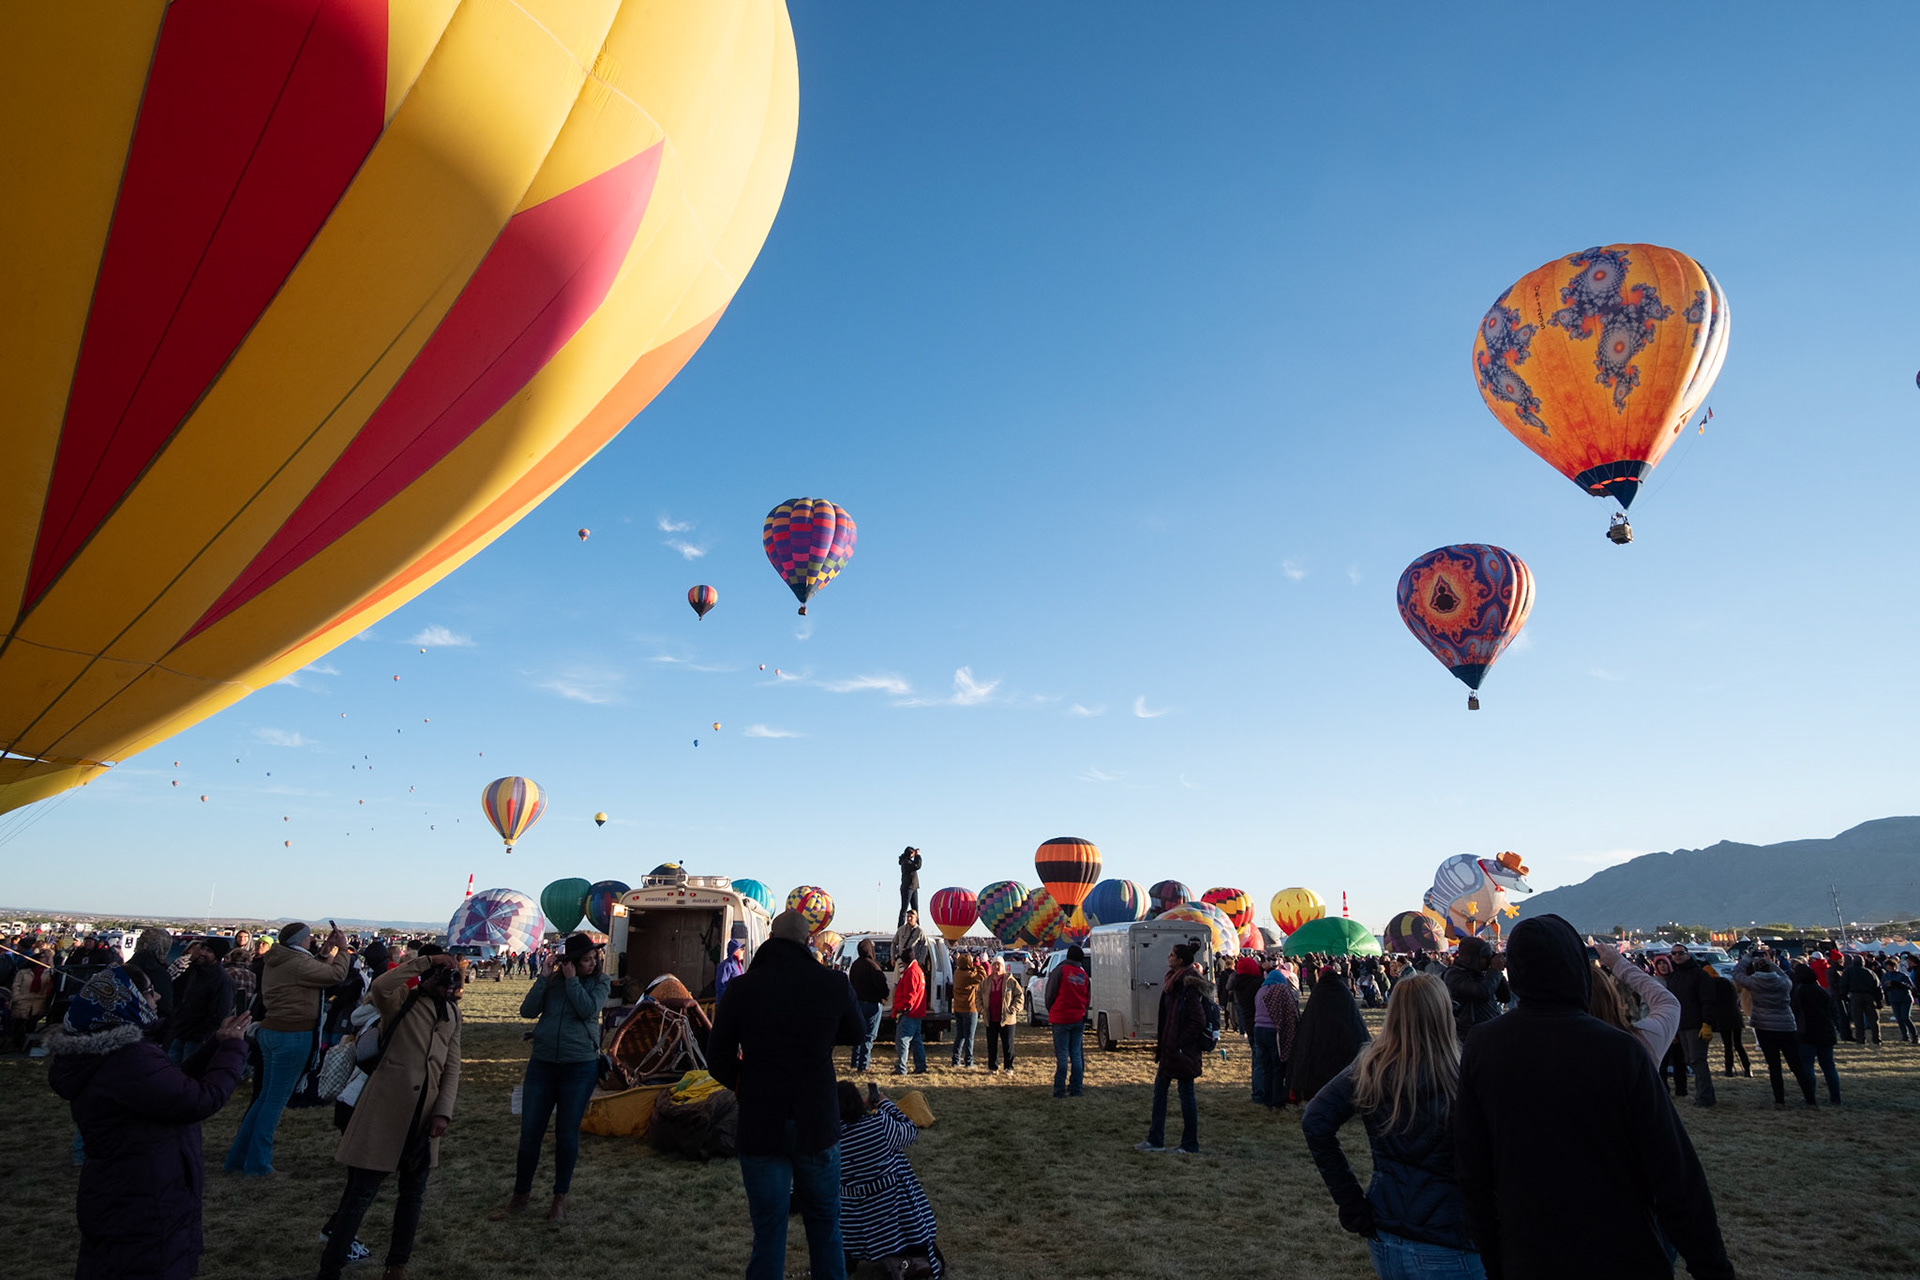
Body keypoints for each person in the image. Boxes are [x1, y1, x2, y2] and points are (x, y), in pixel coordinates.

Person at [1452, 915, 1734, 1280]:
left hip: (1529, 1250)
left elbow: (1473, 1167)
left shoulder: (1484, 1045)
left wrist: (1495, 1258)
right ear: (1574, 967)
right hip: (1620, 1249)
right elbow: (1674, 1172)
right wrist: (1711, 1266)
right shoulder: (1619, 1049)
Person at [48, 964, 250, 1280]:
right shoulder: (128, 1059)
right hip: (145, 1199)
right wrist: (234, 1048)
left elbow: (168, 1085)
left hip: (126, 1189)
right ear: (125, 1000)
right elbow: (199, 1100)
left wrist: (216, 1044)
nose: (156, 998)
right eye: (148, 991)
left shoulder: (114, 1055)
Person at [707, 909, 864, 1280]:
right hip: (817, 1120)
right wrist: (822, 1038)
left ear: (770, 940)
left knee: (769, 1231)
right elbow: (857, 1032)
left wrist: (743, 1083)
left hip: (762, 1120)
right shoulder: (833, 983)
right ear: (809, 941)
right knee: (825, 1226)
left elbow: (716, 1057)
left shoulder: (743, 988)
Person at [1303, 974, 1483, 1279]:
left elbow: (1315, 1119)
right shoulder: (1461, 1074)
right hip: (1449, 1239)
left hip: (1389, 1232)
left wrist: (1351, 1201)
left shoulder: (1371, 1067)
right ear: (1443, 1014)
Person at [316, 952, 463, 1280]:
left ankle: (397, 1265)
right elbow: (381, 986)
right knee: (360, 1195)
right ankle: (331, 1268)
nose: (448, 984)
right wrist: (425, 962)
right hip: (384, 1111)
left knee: (413, 1195)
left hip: (424, 1117)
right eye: (442, 977)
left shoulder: (452, 1014)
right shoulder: (402, 1001)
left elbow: (452, 1066)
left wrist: (443, 1112)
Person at [492, 933, 611, 1223]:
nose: (592, 963)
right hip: (543, 1063)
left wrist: (572, 981)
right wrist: (544, 977)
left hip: (579, 1065)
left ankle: (559, 1198)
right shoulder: (553, 981)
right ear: (571, 960)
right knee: (530, 1133)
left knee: (566, 1134)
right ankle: (520, 1195)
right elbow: (527, 1011)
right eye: (586, 959)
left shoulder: (601, 982)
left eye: (594, 958)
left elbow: (587, 1010)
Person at [835, 1081, 945, 1278]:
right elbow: (911, 1131)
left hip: (853, 1224)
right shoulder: (879, 1125)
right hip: (892, 1215)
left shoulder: (832, 1138)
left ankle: (850, 1255)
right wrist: (885, 1104)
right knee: (937, 1261)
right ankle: (903, 1263)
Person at [1136, 941, 1206, 1153]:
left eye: (1172, 954)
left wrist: (1181, 1042)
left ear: (1180, 960)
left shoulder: (1188, 984)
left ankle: (1189, 1144)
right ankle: (1155, 1139)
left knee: (1186, 1095)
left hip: (1181, 1051)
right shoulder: (1173, 980)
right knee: (1160, 1093)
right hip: (1169, 1048)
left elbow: (1198, 1020)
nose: (1168, 957)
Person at [1730, 953, 1816, 1107]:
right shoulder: (1784, 983)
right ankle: (1810, 1099)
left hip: (1764, 1025)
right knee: (1796, 1065)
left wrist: (1747, 959)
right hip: (1786, 1025)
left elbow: (1737, 974)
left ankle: (1779, 1100)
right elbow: (1784, 973)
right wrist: (1770, 963)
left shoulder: (1753, 982)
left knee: (1774, 1066)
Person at [1587, 938, 1679, 1067]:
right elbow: (1668, 1002)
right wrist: (1618, 963)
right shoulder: (1643, 1038)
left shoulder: (1560, 1045)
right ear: (1612, 998)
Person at [1288, 966, 1371, 1104]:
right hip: (1344, 1039)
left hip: (1321, 1042)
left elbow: (1309, 1021)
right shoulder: (1343, 991)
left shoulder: (1318, 992)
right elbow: (1353, 1018)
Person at [1662, 944, 1717, 1107]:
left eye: (1680, 953)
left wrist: (1707, 1023)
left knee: (1698, 1060)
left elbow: (1708, 1000)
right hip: (1681, 1024)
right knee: (1690, 1060)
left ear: (1688, 955)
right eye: (1673, 954)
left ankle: (1704, 1098)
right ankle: (1706, 1095)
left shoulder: (1699, 975)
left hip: (1696, 1024)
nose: (1677, 956)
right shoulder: (1674, 977)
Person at [167, 940, 234, 1065]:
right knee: (170, 1069)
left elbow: (221, 1012)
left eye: (209, 951)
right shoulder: (194, 970)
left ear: (217, 956)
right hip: (181, 1031)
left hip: (197, 1038)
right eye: (202, 948)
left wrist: (202, 1034)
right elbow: (179, 995)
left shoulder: (222, 980)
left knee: (189, 1070)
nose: (202, 953)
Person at [1791, 961, 1842, 1105]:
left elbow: (1795, 1012)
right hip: (1826, 1031)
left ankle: (1810, 1096)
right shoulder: (1824, 992)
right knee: (1829, 1066)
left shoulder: (1798, 992)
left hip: (1806, 1032)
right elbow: (1834, 1013)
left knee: (1807, 1066)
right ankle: (1835, 1097)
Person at [1044, 945, 1090, 1098]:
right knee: (1076, 1055)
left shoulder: (1060, 971)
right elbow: (1087, 998)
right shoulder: (1083, 975)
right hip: (1077, 1017)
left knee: (1062, 1055)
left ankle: (1059, 1090)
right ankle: (1076, 1088)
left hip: (1061, 1018)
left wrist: (1051, 1009)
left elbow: (1050, 993)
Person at [1253, 962, 1300, 1108]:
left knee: (1265, 1066)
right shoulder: (1280, 990)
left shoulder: (1260, 991)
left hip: (1258, 1029)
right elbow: (1290, 1011)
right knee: (1277, 1067)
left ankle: (1266, 1098)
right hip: (1273, 1031)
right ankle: (1277, 1100)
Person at [1441, 938, 1507, 1043]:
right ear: (1472, 957)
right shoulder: (1454, 975)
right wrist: (1494, 970)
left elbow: (1505, 996)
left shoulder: (1481, 973)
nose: (1488, 960)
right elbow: (1482, 993)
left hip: (1490, 1032)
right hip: (1468, 1036)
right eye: (1485, 956)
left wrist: (1498, 971)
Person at [847, 938, 889, 1073]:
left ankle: (854, 1062)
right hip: (872, 1005)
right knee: (868, 1036)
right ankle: (863, 1065)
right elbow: (883, 987)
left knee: (859, 1033)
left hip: (858, 1004)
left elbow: (851, 983)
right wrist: (885, 996)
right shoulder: (873, 967)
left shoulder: (855, 965)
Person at [1704, 964, 1752, 1077]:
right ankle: (1747, 1069)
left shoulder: (1710, 986)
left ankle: (1729, 1070)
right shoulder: (1726, 982)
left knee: (1728, 1045)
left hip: (1722, 1017)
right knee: (1738, 1044)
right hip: (1735, 1016)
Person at [891, 952, 928, 1076]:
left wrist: (902, 1009)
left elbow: (910, 995)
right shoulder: (918, 971)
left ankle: (901, 1068)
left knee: (902, 1040)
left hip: (909, 1012)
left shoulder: (911, 972)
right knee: (916, 1040)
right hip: (917, 1011)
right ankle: (920, 1066)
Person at [1838, 955, 1882, 1046]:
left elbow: (1843, 984)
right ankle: (1876, 1039)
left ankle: (1860, 1039)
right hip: (1869, 996)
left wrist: (1844, 996)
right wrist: (1879, 1000)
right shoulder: (1870, 972)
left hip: (1855, 996)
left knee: (1858, 1019)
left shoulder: (1848, 971)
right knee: (1873, 1019)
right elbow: (1877, 987)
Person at [949, 953, 982, 1068]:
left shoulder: (957, 973)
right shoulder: (969, 975)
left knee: (960, 1035)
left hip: (958, 1008)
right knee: (969, 1037)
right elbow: (982, 977)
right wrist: (978, 965)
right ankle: (969, 1061)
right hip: (969, 1008)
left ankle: (955, 1059)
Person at [1227, 955, 1262, 1040]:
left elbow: (1228, 986)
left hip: (1239, 1001)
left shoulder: (1235, 978)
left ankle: (1242, 1032)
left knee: (1241, 1016)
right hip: (1258, 1019)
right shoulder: (1257, 982)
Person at [1882, 960, 1916, 1044]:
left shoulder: (1902, 975)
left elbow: (1910, 986)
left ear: (1895, 967)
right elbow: (1883, 987)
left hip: (1905, 999)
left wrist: (1897, 984)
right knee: (1899, 1018)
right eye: (1888, 968)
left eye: (1891, 967)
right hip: (1894, 999)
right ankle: (1905, 1036)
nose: (1890, 969)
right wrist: (1887, 986)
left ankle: (1915, 1035)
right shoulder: (1885, 976)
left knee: (1905, 1017)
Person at [896, 847, 923, 928]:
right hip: (907, 887)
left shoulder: (908, 861)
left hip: (913, 887)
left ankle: (917, 926)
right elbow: (917, 866)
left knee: (915, 908)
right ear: (910, 854)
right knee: (904, 908)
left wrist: (916, 856)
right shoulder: (906, 862)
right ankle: (900, 927)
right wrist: (918, 856)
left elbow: (916, 864)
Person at [716, 939, 747, 1005]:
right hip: (727, 1004)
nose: (743, 951)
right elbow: (720, 986)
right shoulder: (726, 965)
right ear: (735, 951)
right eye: (741, 949)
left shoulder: (740, 966)